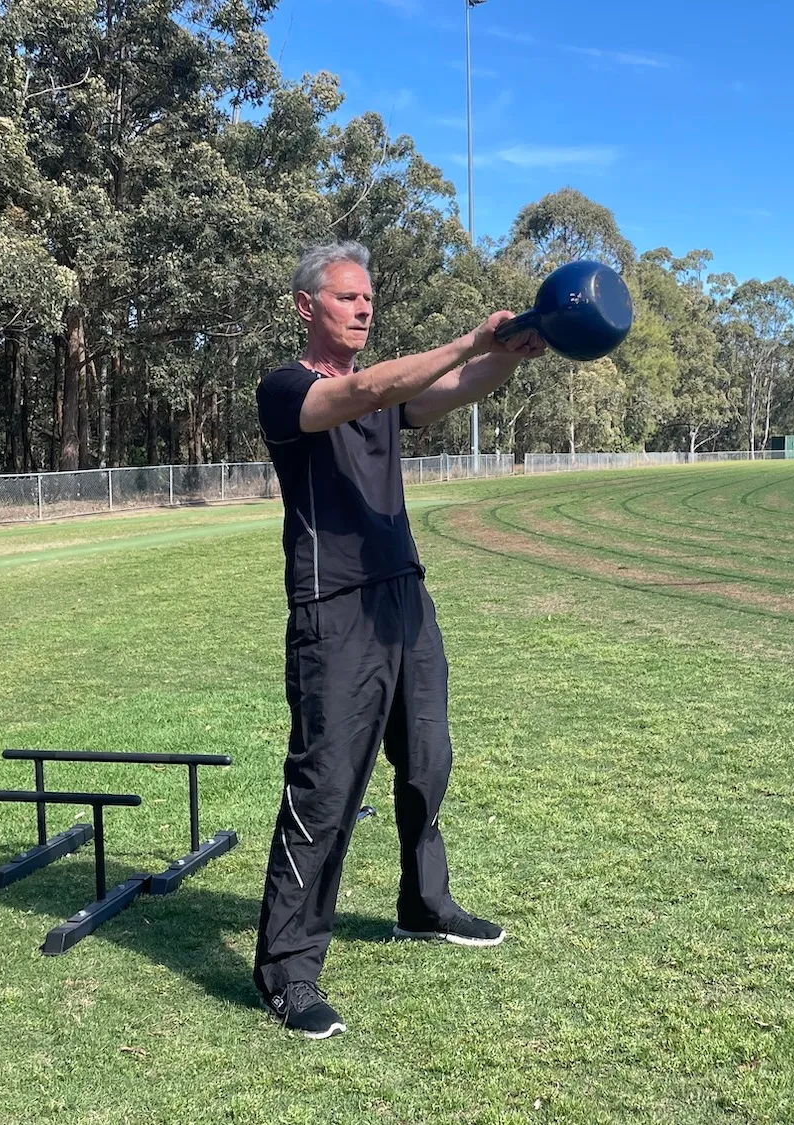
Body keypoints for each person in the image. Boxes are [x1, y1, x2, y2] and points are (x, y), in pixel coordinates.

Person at [251, 241, 547, 1039]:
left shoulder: (383, 397)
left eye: (368, 298)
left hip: (403, 599)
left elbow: (446, 390)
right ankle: (287, 969)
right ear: (307, 306)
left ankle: (423, 902)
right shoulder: (287, 390)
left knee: (428, 758)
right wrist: (468, 339)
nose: (364, 307)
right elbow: (373, 386)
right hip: (334, 608)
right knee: (326, 785)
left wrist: (510, 355)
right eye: (347, 297)